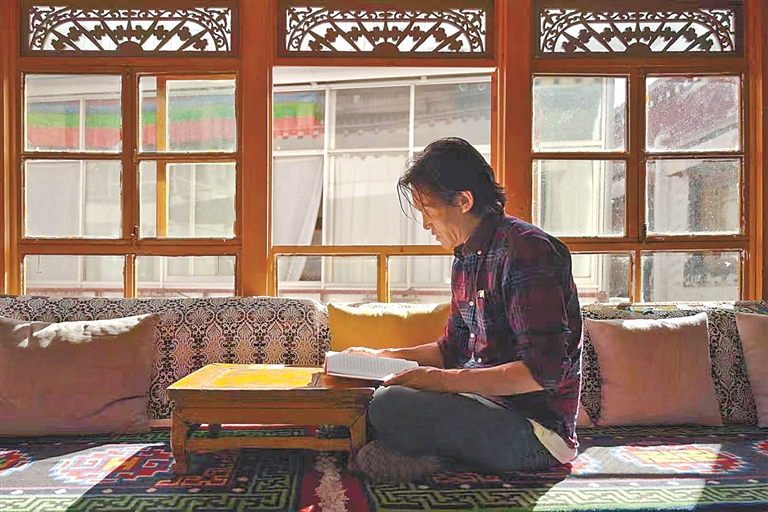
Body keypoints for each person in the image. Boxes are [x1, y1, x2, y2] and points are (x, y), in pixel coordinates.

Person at [346, 137, 583, 482]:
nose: (425, 224)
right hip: (480, 405)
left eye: (428, 211)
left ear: (464, 200)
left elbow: (542, 373)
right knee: (368, 393)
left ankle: (425, 460)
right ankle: (418, 454)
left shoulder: (526, 250)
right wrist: (379, 357)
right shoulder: (464, 259)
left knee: (388, 404)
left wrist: (440, 382)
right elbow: (450, 351)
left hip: (534, 430)